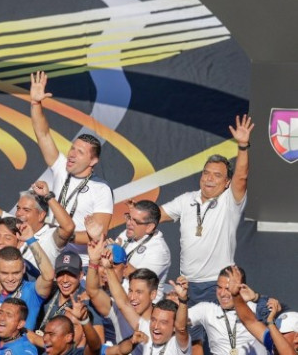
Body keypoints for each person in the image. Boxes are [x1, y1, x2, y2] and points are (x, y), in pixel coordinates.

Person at [160, 115, 253, 305]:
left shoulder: (230, 201)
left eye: (217, 175)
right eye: (206, 173)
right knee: (187, 326)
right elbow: (156, 215)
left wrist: (243, 146)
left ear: (227, 182)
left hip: (217, 285)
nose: (209, 178)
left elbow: (241, 177)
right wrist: (138, 213)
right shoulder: (187, 199)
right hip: (186, 284)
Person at [28, 71, 114, 263]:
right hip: (50, 254)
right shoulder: (61, 168)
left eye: (80, 152)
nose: (72, 154)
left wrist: (64, 234)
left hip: (80, 262)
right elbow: (43, 134)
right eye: (72, 148)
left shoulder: (101, 189)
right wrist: (36, 103)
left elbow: (99, 234)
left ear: (93, 161)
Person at [187, 265, 269, 355]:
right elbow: (179, 322)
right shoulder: (207, 309)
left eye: (227, 288)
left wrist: (256, 297)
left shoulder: (256, 309)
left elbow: (278, 312)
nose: (222, 294)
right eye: (219, 287)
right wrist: (182, 302)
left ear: (241, 288)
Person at [33, 252, 104, 346]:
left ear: (81, 275)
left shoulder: (87, 301)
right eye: (61, 274)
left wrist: (33, 338)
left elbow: (99, 343)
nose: (65, 280)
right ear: (55, 275)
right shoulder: (48, 292)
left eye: (71, 274)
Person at [0, 240, 55, 331]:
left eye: (16, 273)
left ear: (23, 268)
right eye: (5, 273)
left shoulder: (32, 292)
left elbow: (48, 276)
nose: (10, 279)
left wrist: (31, 239)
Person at [225, 266, 295, 355]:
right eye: (276, 331)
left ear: (297, 339)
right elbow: (250, 321)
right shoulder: (273, 343)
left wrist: (270, 323)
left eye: (281, 334)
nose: (275, 335)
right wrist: (236, 295)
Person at [114, 200, 170, 301]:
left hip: (139, 305)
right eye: (129, 217)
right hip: (117, 295)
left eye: (135, 221)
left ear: (149, 227)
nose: (128, 223)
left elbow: (139, 281)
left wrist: (117, 254)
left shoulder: (159, 252)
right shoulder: (128, 233)